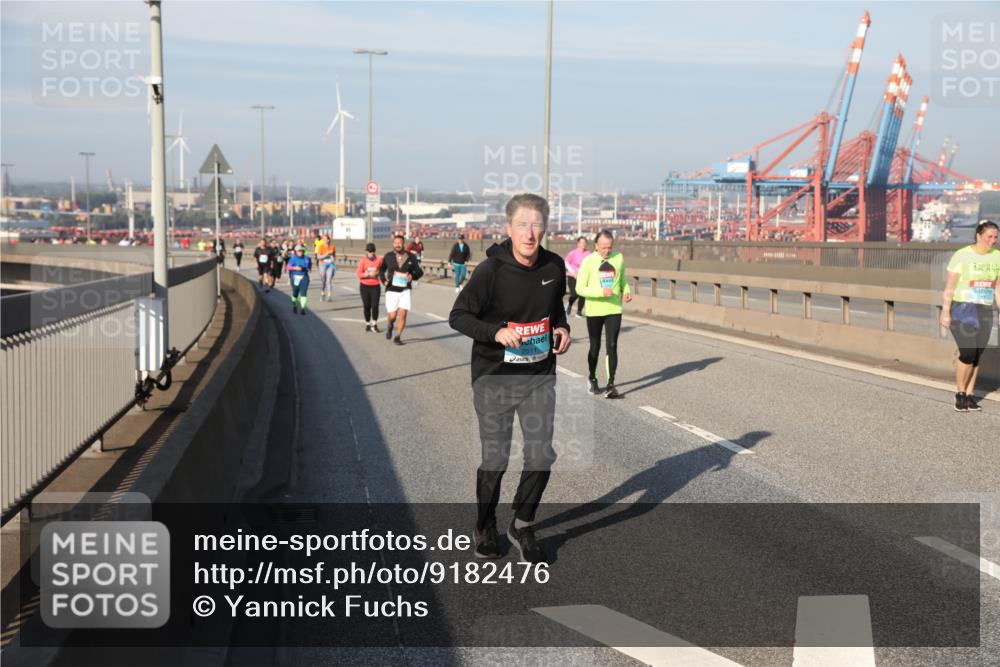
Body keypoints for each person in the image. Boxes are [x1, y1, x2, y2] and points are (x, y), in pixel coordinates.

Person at [449, 193, 571, 564]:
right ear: (509, 229)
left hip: (538, 377)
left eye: (536, 225)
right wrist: (495, 333)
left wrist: (562, 330)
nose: (529, 233)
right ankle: (485, 525)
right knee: (496, 459)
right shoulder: (491, 271)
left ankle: (522, 524)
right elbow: (458, 316)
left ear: (545, 228)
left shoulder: (554, 266)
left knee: (541, 454)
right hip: (494, 378)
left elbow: (556, 311)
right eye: (522, 225)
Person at [940, 220, 999, 412]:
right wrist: (945, 311)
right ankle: (960, 393)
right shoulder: (962, 255)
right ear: (978, 236)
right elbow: (950, 287)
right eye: (989, 236)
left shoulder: (997, 256)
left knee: (977, 354)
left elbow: (998, 287)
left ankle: (969, 394)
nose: (993, 240)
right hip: (962, 309)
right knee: (968, 352)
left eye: (996, 237)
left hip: (984, 309)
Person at [574, 230, 632, 399]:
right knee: (595, 347)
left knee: (612, 345)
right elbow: (579, 288)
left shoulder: (618, 258)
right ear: (596, 246)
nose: (607, 251)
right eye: (604, 247)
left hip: (614, 309)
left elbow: (622, 280)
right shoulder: (588, 261)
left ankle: (610, 385)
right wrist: (600, 292)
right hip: (594, 310)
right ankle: (592, 377)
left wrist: (626, 290)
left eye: (610, 247)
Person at [380, 235, 423, 345]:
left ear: (403, 244)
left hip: (405, 289)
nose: (398, 245)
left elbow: (419, 272)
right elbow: (381, 270)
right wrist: (384, 280)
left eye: (400, 243)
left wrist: (413, 276)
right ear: (393, 244)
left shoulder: (411, 257)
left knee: (403, 314)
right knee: (393, 315)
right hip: (391, 289)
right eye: (396, 243)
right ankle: (390, 325)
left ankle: (398, 337)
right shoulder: (388, 256)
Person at [357, 243, 383, 332]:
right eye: (369, 251)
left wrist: (377, 273)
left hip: (375, 286)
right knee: (366, 306)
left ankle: (374, 324)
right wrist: (367, 274)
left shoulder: (379, 260)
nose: (371, 253)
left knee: (375, 306)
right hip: (364, 286)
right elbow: (358, 274)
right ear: (367, 251)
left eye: (372, 251)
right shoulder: (363, 261)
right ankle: (367, 323)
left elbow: (383, 270)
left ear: (374, 251)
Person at [564, 236, 591, 318]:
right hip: (572, 276)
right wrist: (574, 273)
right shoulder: (573, 253)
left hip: (583, 277)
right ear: (578, 243)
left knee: (583, 294)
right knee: (574, 294)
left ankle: (579, 312)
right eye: (581, 242)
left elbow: (590, 265)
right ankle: (569, 304)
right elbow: (566, 262)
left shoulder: (588, 254)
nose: (583, 244)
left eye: (584, 242)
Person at [287, 244, 312, 315]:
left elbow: (310, 265)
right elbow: (288, 267)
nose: (300, 252)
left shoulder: (307, 258)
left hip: (304, 277)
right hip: (295, 277)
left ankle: (302, 308)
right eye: (299, 251)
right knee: (295, 293)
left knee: (303, 293)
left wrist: (309, 269)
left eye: (301, 251)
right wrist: (295, 268)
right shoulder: (293, 258)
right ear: (296, 251)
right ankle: (294, 304)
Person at [317, 234, 336, 301]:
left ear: (329, 239)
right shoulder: (321, 246)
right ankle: (322, 292)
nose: (325, 240)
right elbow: (318, 257)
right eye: (324, 239)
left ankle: (329, 296)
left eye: (326, 239)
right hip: (322, 264)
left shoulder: (332, 246)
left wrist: (333, 259)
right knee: (323, 280)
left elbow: (334, 255)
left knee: (329, 280)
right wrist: (326, 254)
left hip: (330, 264)